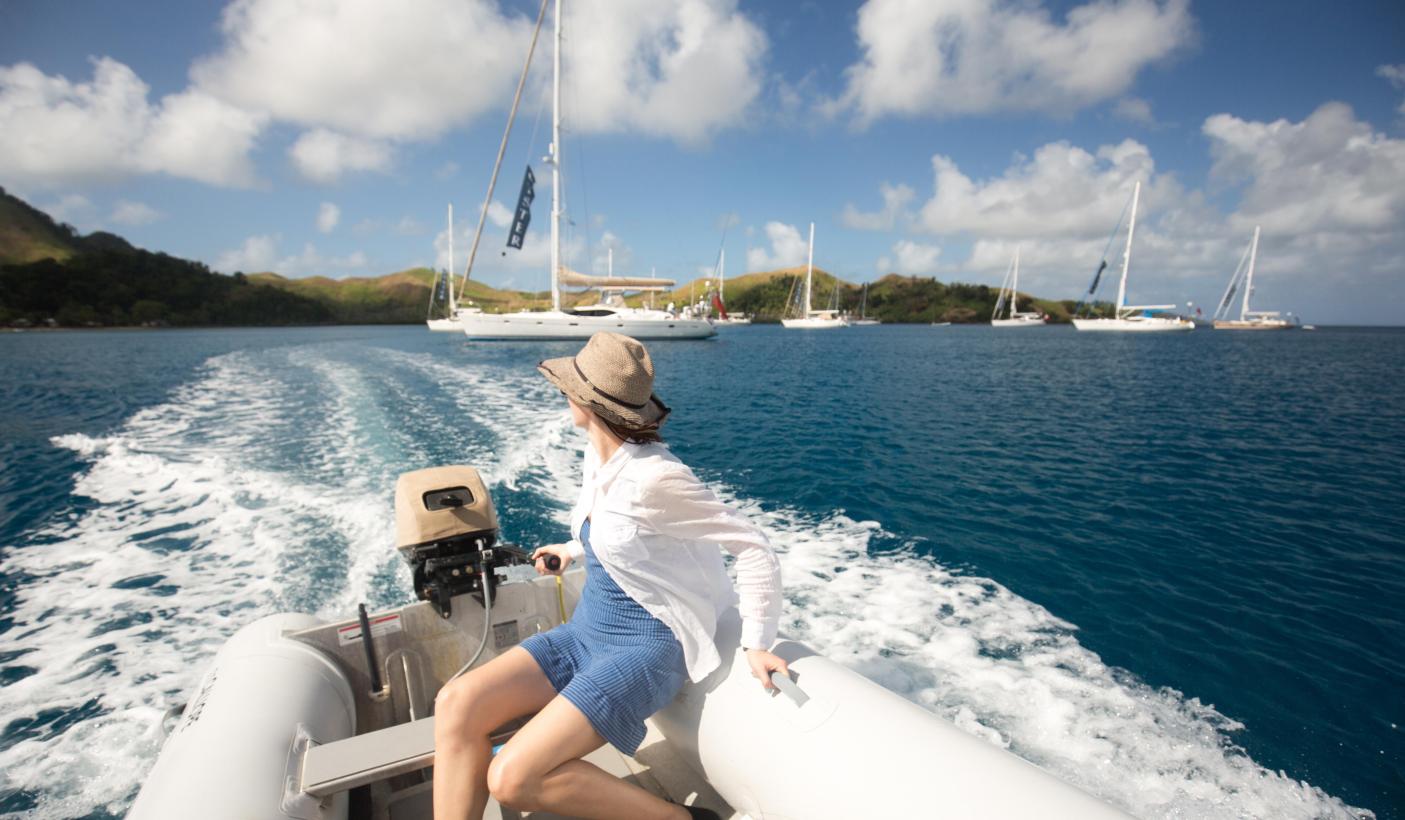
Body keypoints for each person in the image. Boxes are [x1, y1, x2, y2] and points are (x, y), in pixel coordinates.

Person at [433, 332, 787, 820]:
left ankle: (680, 819)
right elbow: (616, 530)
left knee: (512, 778)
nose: (563, 395)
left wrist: (758, 641)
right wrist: (569, 550)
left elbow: (752, 545)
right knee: (455, 703)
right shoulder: (599, 456)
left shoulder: (658, 477)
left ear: (586, 400)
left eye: (569, 388)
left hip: (645, 647)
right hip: (587, 631)